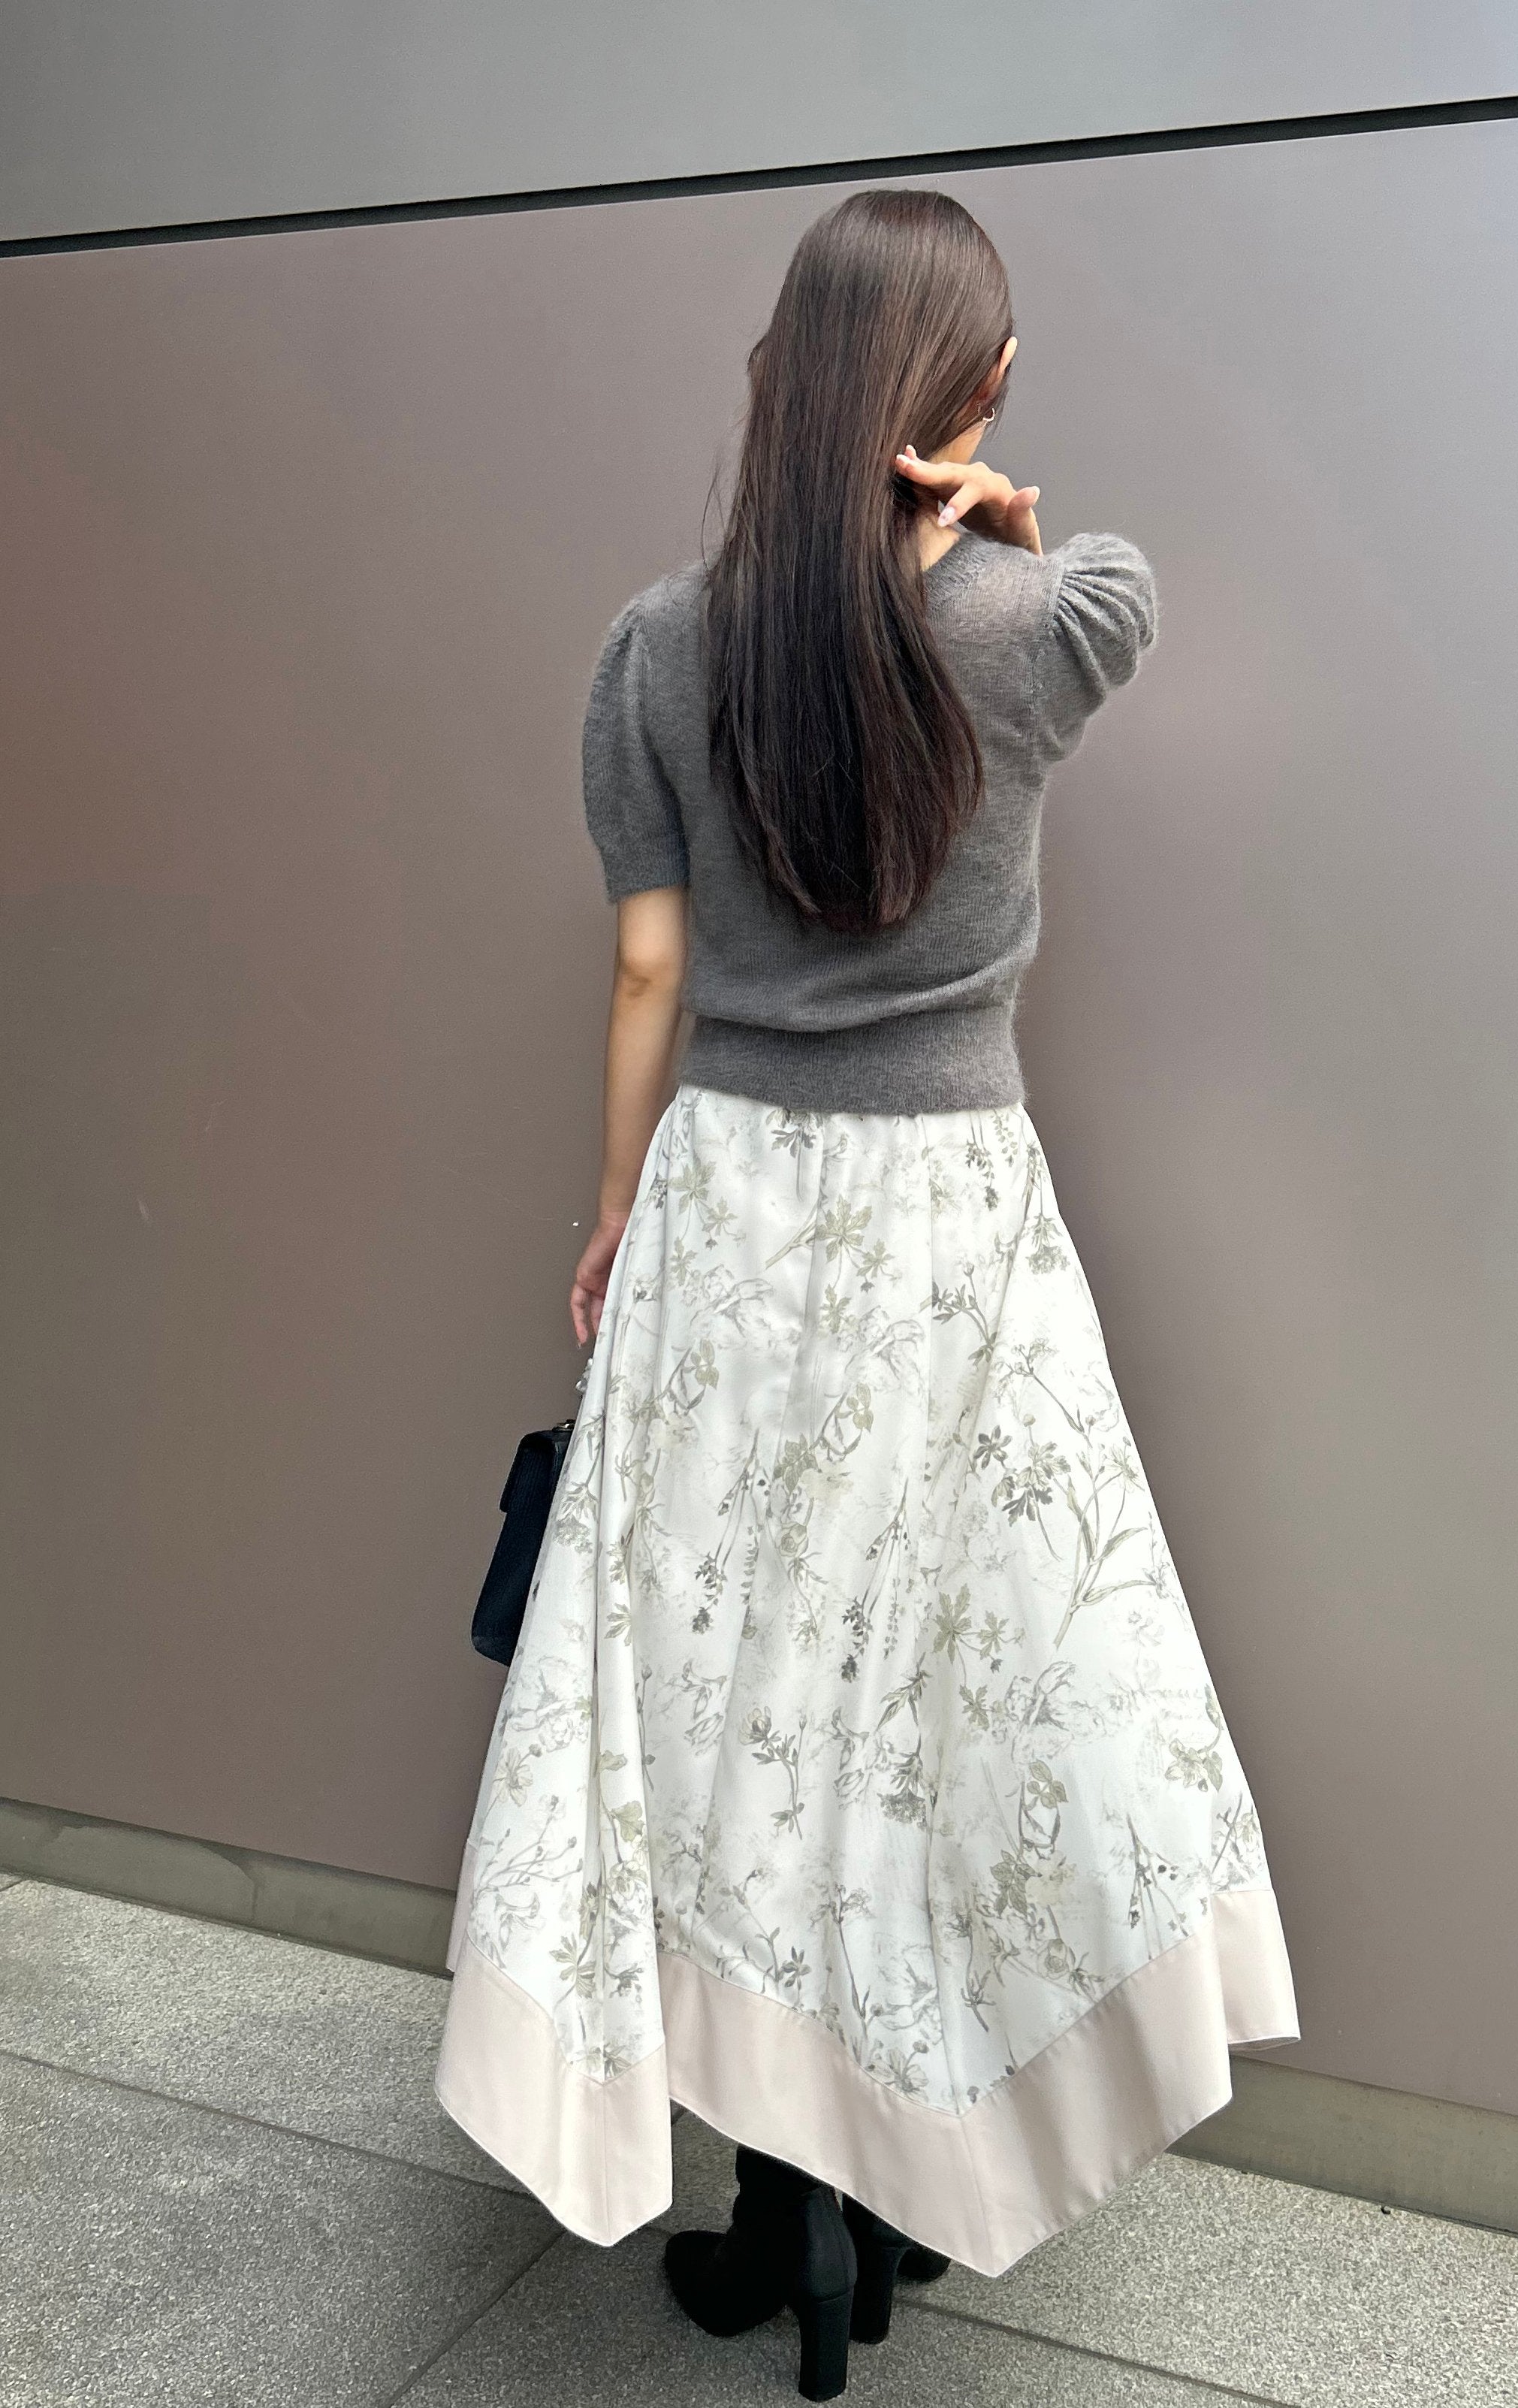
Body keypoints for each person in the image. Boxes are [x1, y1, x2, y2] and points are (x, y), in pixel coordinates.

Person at [435, 186, 1298, 2400]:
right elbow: (1116, 586)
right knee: (932, 1698)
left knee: (733, 1707)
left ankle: (774, 2208)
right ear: (974, 394)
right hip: (952, 1227)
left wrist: (609, 1212)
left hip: (729, 1206)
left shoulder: (654, 649)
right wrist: (993, 522)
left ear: (783, 381)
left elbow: (646, 969)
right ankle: (901, 2179)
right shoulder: (1048, 620)